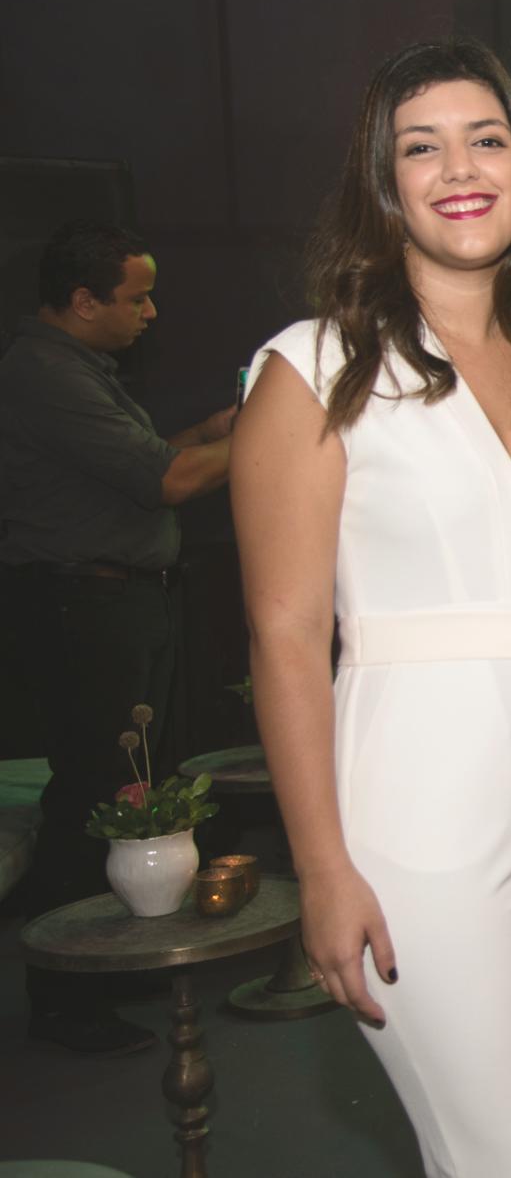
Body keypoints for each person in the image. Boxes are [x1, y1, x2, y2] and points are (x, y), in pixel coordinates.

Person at [232, 38, 511, 1177]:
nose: (458, 168)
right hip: (422, 813)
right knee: (510, 1162)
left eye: (485, 139)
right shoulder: (311, 370)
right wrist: (320, 869)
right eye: (421, 147)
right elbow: (282, 636)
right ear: (384, 184)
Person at [0, 220, 235, 1055]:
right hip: (83, 607)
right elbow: (165, 483)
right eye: (135, 297)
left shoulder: (76, 368)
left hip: (112, 602)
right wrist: (265, 436)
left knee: (133, 785)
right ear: (81, 299)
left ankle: (115, 965)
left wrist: (209, 433)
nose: (151, 312)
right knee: (95, 795)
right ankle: (68, 990)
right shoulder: (44, 374)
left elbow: (141, 463)